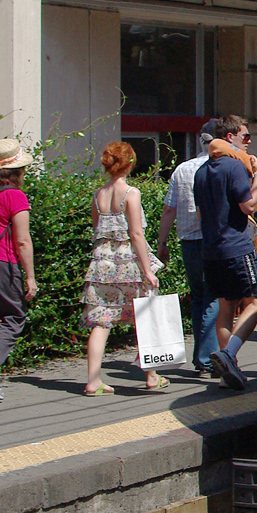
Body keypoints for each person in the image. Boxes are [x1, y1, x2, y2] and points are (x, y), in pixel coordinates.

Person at [83, 142, 165, 395]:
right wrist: (148, 270)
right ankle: (152, 375)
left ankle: (93, 380)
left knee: (101, 320)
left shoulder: (98, 194)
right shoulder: (131, 192)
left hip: (102, 261)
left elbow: (98, 230)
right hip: (128, 260)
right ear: (129, 163)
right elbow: (136, 234)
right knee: (144, 314)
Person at [194, 115, 257, 391]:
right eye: (244, 136)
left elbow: (200, 214)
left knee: (225, 308)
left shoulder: (202, 172)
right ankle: (229, 354)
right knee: (256, 303)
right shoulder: (235, 168)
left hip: (211, 249)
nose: (248, 142)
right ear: (230, 137)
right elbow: (249, 206)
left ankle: (227, 373)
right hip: (236, 247)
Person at [156, 120, 220, 377]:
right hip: (212, 240)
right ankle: (207, 358)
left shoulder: (182, 169)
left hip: (187, 241)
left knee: (198, 298)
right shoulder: (218, 166)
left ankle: (203, 356)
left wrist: (161, 243)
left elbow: (169, 208)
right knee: (213, 297)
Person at [0, 139, 37, 402]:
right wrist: (30, 277)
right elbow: (22, 240)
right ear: (17, 171)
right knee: (13, 317)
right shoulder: (14, 195)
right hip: (2, 263)